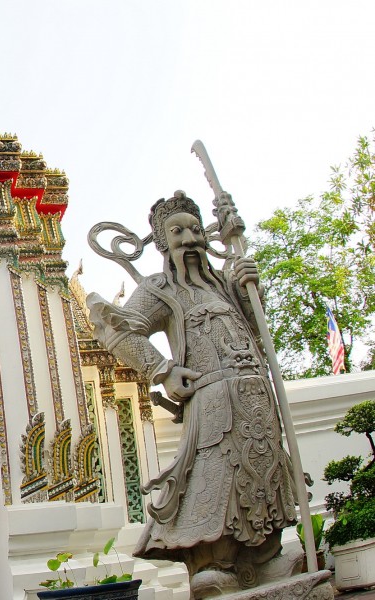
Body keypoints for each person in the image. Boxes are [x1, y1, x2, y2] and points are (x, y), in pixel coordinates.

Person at [87, 192, 297, 597]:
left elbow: (256, 331)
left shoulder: (225, 286)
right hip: (213, 401)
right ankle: (214, 563)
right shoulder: (161, 289)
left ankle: (264, 556)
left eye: (196, 230)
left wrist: (250, 290)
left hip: (256, 396)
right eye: (177, 232)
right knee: (217, 478)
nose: (189, 239)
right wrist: (162, 370)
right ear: (162, 242)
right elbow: (117, 330)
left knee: (265, 468)